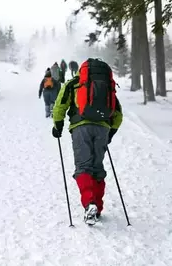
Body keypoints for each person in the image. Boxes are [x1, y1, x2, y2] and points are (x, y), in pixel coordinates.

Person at [51, 58, 123, 225]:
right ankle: (97, 207)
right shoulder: (107, 86)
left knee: (83, 166)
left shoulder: (74, 83)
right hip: (103, 128)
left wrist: (58, 126)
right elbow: (118, 114)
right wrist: (110, 133)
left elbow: (60, 105)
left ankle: (89, 204)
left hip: (80, 127)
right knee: (97, 167)